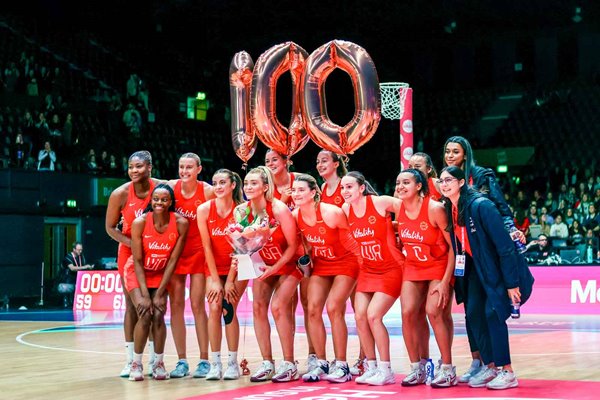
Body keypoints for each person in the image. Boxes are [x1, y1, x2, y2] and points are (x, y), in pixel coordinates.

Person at [439, 165, 534, 390]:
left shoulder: (482, 205)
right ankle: (490, 366)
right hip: (477, 269)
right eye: (441, 180)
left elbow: (506, 248)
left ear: (462, 182)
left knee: (493, 314)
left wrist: (511, 284)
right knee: (473, 313)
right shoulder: (451, 208)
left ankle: (507, 371)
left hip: (499, 269)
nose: (444, 184)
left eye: (449, 180)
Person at [292, 174, 359, 383]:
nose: (296, 194)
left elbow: (354, 244)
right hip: (322, 263)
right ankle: (321, 362)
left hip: (346, 262)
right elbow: (301, 242)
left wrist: (367, 267)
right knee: (312, 309)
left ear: (313, 193)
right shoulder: (295, 215)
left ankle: (342, 365)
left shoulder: (333, 213)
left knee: (333, 307)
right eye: (294, 191)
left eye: (301, 190)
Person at [341, 171, 404, 386]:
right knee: (359, 317)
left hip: (391, 268)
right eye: (342, 188)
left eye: (349, 187)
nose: (344, 192)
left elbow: (412, 210)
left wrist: (399, 230)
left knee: (373, 316)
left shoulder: (380, 202)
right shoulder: (345, 210)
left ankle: (386, 369)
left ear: (361, 188)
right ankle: (371, 366)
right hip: (367, 270)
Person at [394, 169, 456, 388]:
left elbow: (453, 247)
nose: (400, 186)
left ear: (419, 186)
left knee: (433, 311)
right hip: (413, 266)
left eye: (406, 182)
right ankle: (417, 368)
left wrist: (446, 281)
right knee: (407, 313)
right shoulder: (397, 207)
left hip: (439, 266)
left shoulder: (435, 209)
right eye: (398, 182)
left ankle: (447, 368)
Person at [240, 166, 301, 383]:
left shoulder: (279, 209)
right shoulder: (242, 211)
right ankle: (267, 362)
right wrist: (240, 250)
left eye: (254, 183)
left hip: (289, 263)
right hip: (264, 264)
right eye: (246, 183)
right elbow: (243, 245)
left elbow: (293, 246)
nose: (248, 187)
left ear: (266, 187)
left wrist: (274, 269)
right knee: (258, 306)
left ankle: (289, 363)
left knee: (278, 306)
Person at [105, 150, 160, 377]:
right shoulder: (119, 194)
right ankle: (130, 360)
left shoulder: (162, 188)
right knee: (132, 306)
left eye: (139, 166)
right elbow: (110, 228)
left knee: (155, 307)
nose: (134, 171)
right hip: (129, 252)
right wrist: (135, 243)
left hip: (157, 251)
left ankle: (154, 360)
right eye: (131, 167)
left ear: (149, 168)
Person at [126, 184, 189, 381]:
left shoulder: (180, 223)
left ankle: (159, 363)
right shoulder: (140, 222)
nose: (159, 203)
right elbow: (136, 260)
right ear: (151, 201)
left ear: (170, 202)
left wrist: (161, 293)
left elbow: (172, 260)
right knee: (144, 313)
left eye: (163, 199)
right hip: (138, 273)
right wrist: (145, 295)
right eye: (155, 199)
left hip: (162, 273)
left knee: (159, 315)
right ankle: (136, 364)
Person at [265, 149, 315, 371]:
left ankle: (313, 355)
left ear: (287, 161)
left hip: (304, 250)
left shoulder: (301, 180)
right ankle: (288, 359)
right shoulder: (263, 185)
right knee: (283, 307)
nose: (271, 163)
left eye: (275, 159)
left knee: (306, 304)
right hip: (277, 252)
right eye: (267, 161)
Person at [316, 149, 365, 375]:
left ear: (336, 163)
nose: (320, 164)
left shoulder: (348, 185)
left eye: (324, 160)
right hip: (329, 257)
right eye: (317, 161)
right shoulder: (321, 190)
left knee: (359, 309)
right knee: (332, 308)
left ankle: (365, 358)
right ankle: (332, 361)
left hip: (354, 255)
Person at [167, 153, 215, 379]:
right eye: (181, 167)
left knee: (197, 305)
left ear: (199, 169)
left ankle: (204, 360)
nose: (184, 171)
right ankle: (181, 361)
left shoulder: (207, 191)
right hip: (175, 253)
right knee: (175, 306)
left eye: (189, 167)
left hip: (199, 253)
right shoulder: (170, 188)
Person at [197, 169, 247, 380]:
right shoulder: (204, 209)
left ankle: (232, 363)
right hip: (214, 267)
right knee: (215, 306)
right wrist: (216, 280)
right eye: (215, 182)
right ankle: (215, 363)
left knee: (229, 306)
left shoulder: (243, 211)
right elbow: (206, 246)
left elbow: (240, 248)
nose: (217, 186)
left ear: (233, 185)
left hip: (240, 266)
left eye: (222, 182)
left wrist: (231, 281)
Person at [58, 241, 93, 307]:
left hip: (78, 277)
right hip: (68, 278)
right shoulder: (68, 257)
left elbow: (83, 266)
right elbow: (72, 268)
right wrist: (85, 267)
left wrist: (89, 267)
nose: (80, 251)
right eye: (79, 250)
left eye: (81, 250)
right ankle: (67, 299)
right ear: (74, 249)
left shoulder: (81, 256)